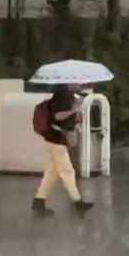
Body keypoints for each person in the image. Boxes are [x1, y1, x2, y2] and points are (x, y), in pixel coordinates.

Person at [33, 84, 94, 216]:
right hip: (56, 138)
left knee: (52, 173)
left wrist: (76, 117)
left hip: (54, 137)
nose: (79, 84)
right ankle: (78, 203)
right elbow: (58, 116)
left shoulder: (66, 94)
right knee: (68, 171)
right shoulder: (63, 95)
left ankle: (38, 201)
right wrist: (74, 112)